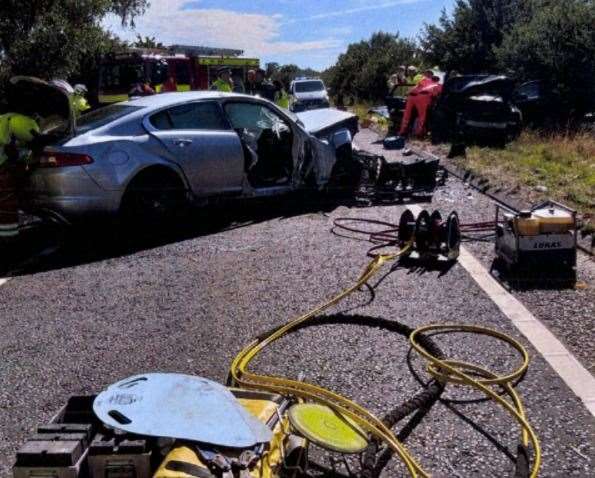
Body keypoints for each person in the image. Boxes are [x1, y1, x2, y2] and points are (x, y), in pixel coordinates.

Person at [0, 113, 40, 239]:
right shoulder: (16, 120)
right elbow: (33, 138)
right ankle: (8, 238)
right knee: (6, 203)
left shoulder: (5, 119)